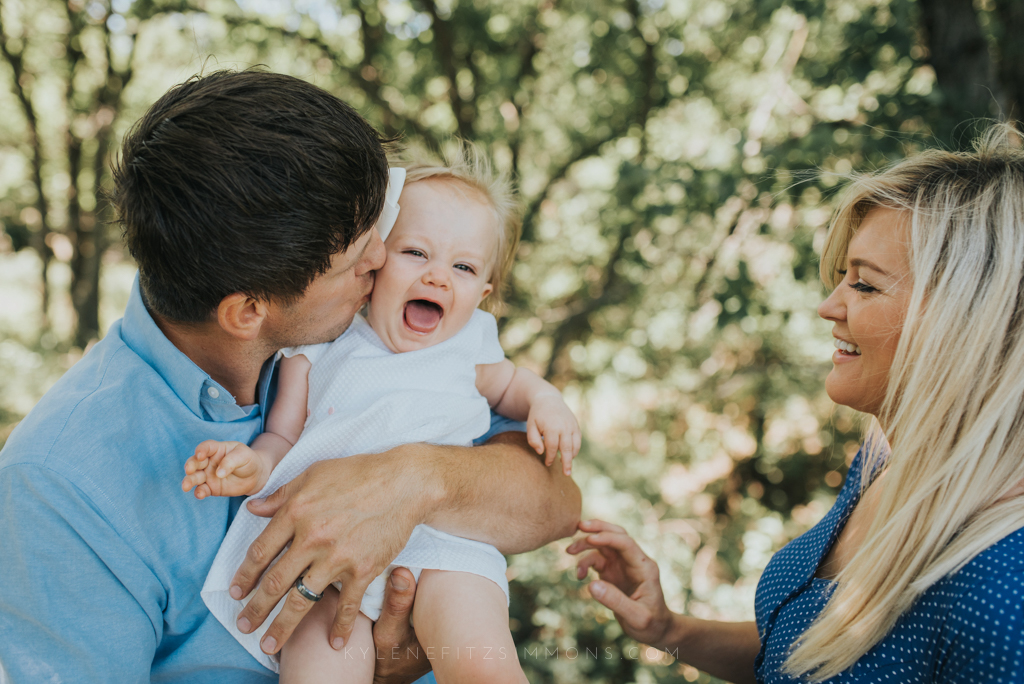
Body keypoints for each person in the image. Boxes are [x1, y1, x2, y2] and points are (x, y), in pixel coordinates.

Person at [0, 69, 580, 684]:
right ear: (250, 312)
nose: (386, 262)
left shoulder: (378, 336)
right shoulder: (60, 488)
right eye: (360, 258)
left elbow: (557, 502)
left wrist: (417, 480)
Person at [569, 124, 1024, 683]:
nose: (828, 307)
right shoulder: (882, 459)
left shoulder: (1004, 591)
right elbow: (804, 650)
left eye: (864, 285)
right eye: (840, 278)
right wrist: (671, 631)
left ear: (967, 318)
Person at [182, 149, 581, 683]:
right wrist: (252, 466)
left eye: (463, 267)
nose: (439, 278)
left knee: (478, 652)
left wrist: (547, 402)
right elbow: (283, 432)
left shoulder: (470, 343)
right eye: (416, 253)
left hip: (444, 541)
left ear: (482, 294)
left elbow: (511, 385)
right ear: (374, 259)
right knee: (319, 660)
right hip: (325, 549)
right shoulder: (324, 342)